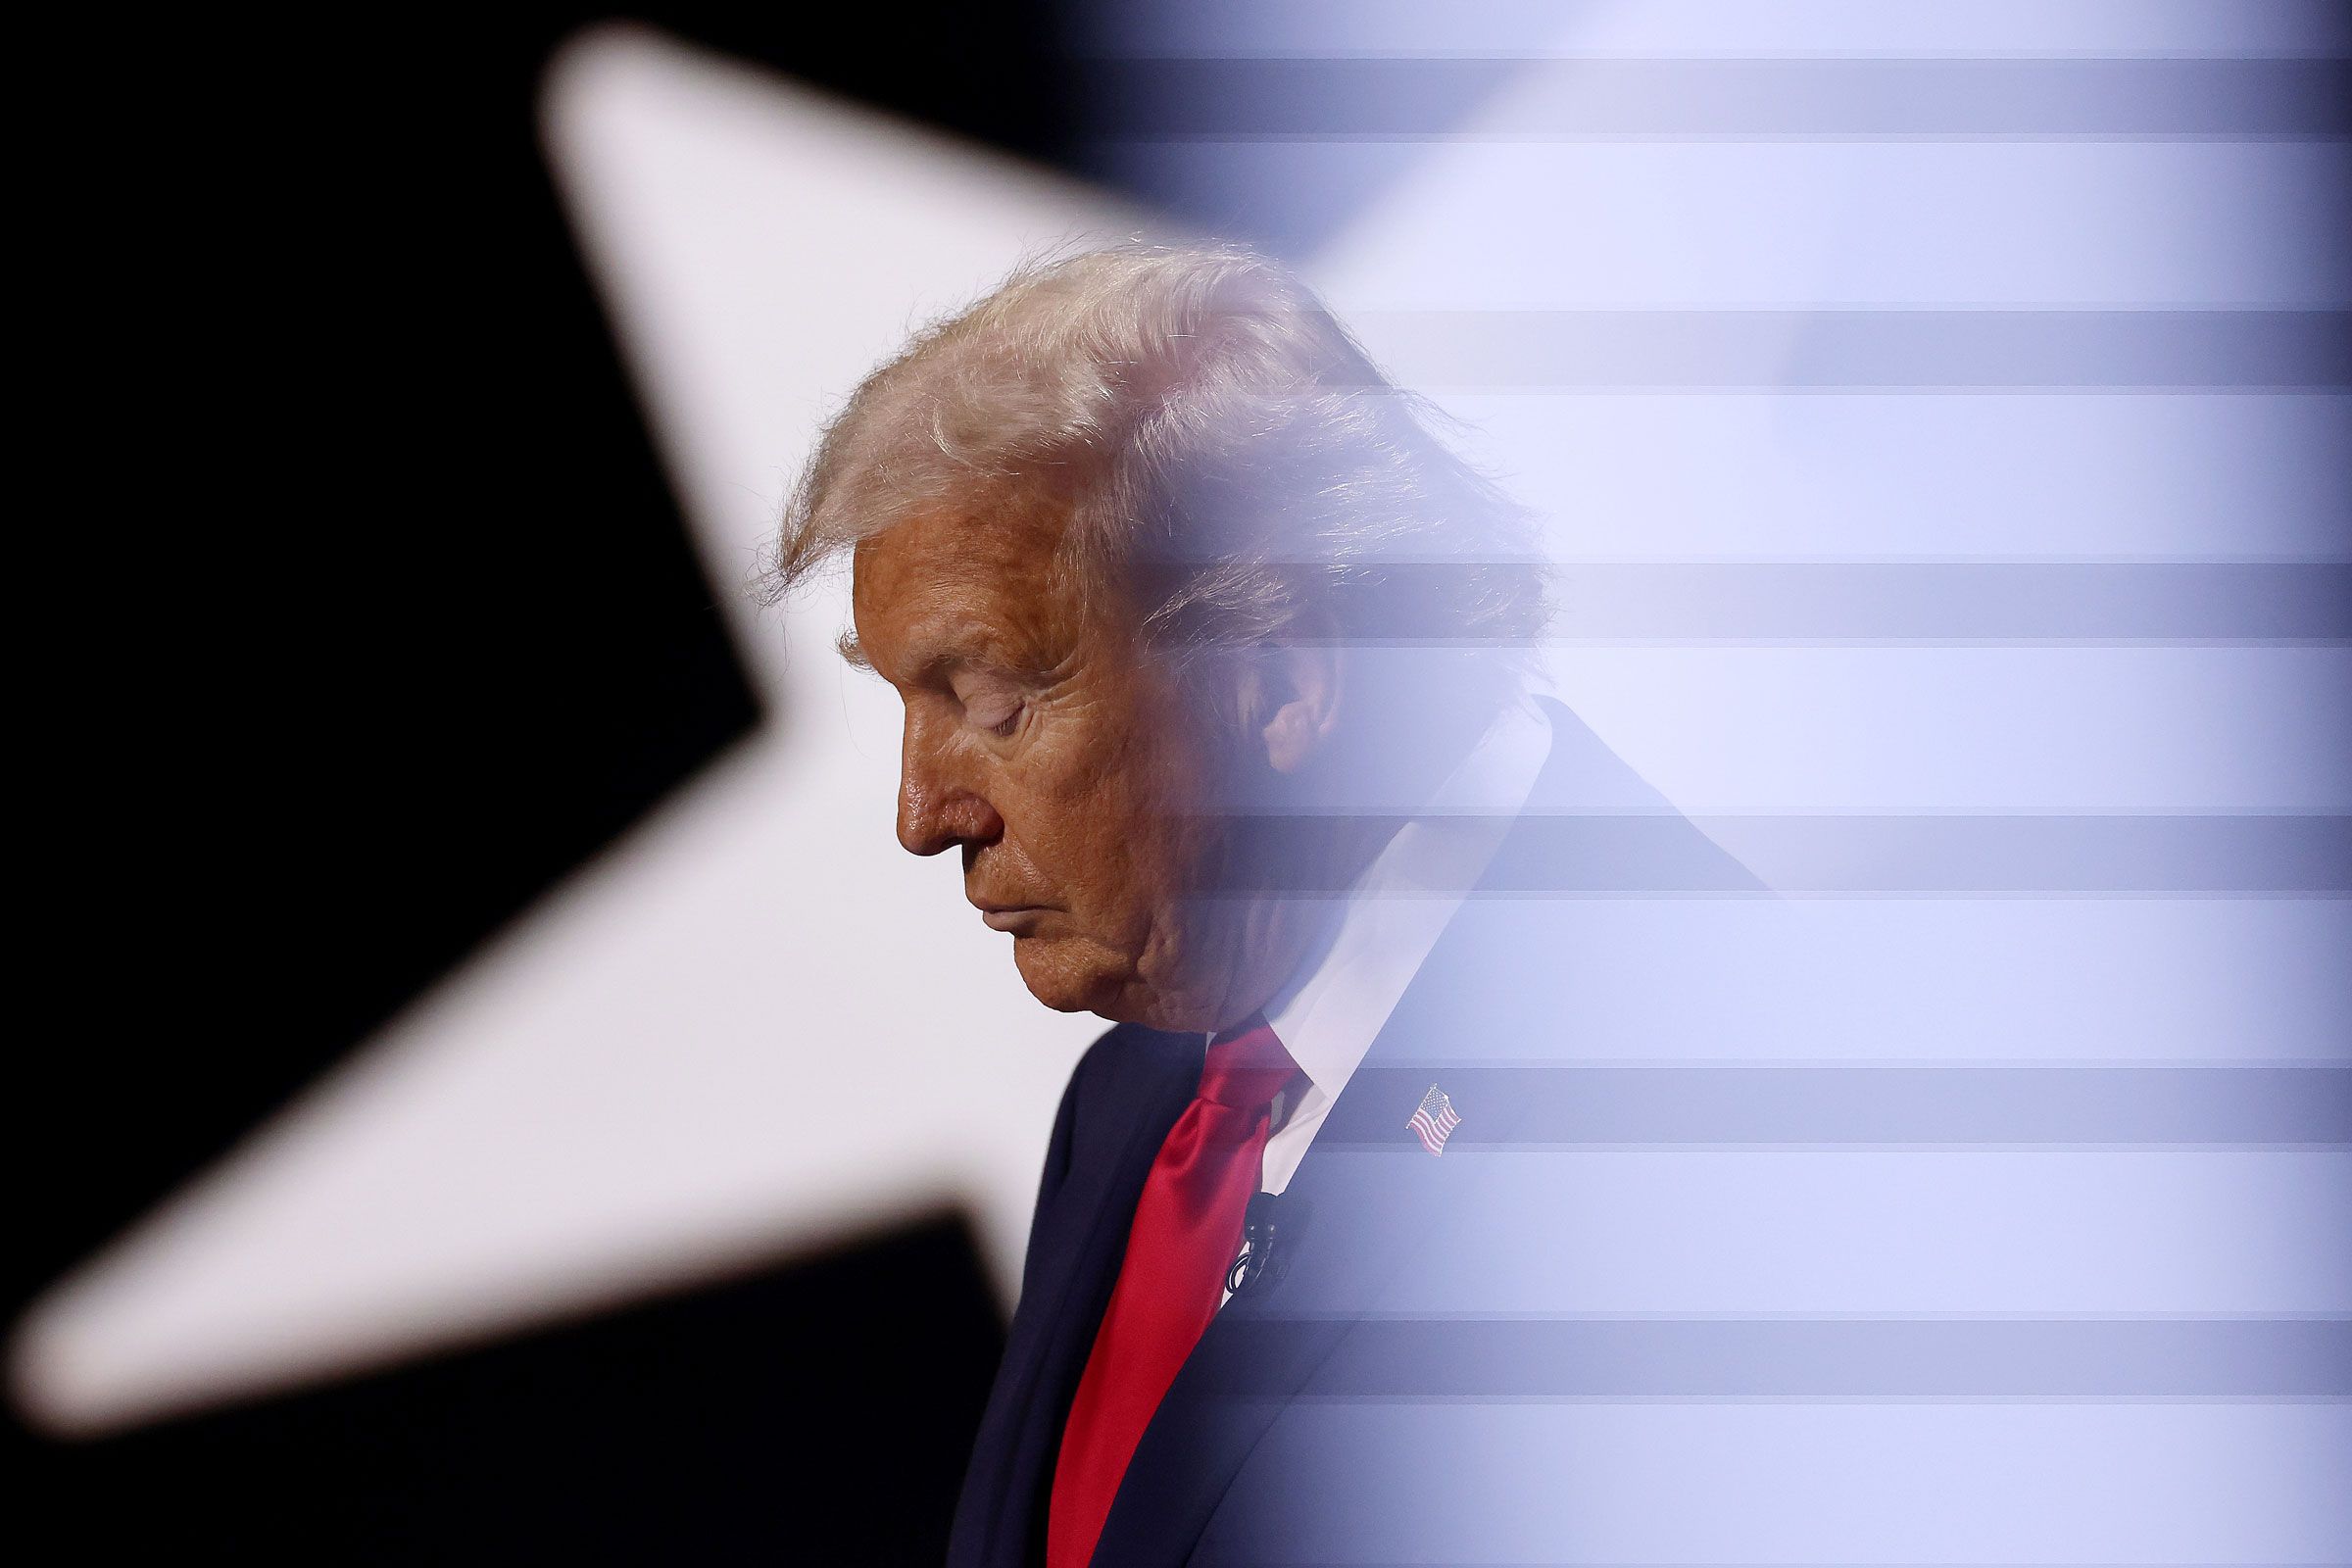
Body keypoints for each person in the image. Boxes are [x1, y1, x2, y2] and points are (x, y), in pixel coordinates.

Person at [764, 242, 1752, 1568]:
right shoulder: (1132, 1101)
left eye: (992, 704)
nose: (923, 814)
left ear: (1281, 683)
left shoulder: (1734, 1099)